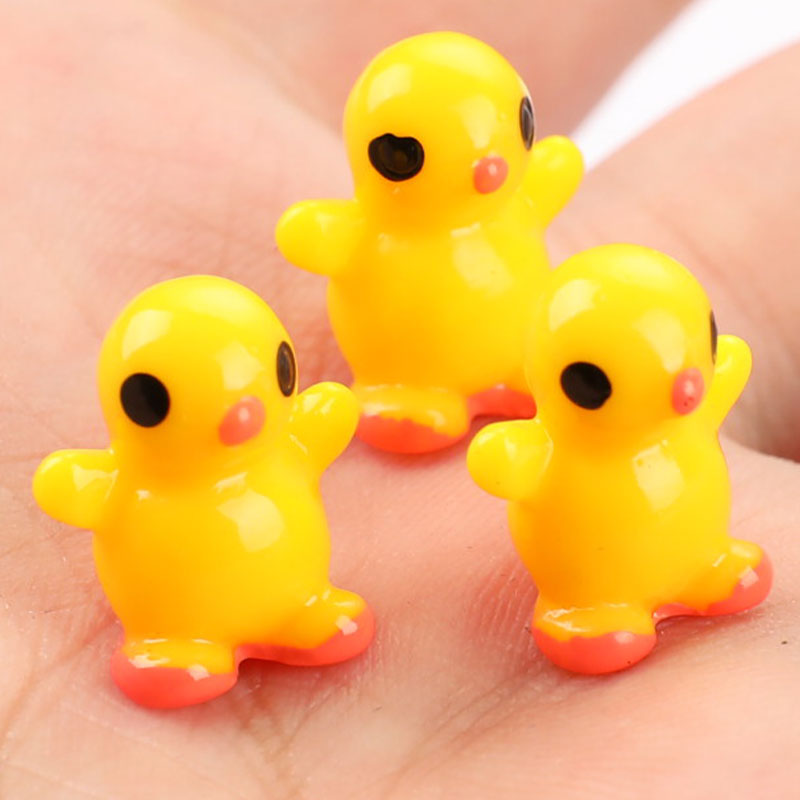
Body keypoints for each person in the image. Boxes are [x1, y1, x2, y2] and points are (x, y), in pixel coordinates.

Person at [0, 0, 797, 796]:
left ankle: (675, 563)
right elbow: (80, 486)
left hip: (524, 386)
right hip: (396, 406)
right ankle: (573, 593)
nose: (487, 170)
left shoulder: (621, 357)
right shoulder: (170, 469)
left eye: (509, 133)